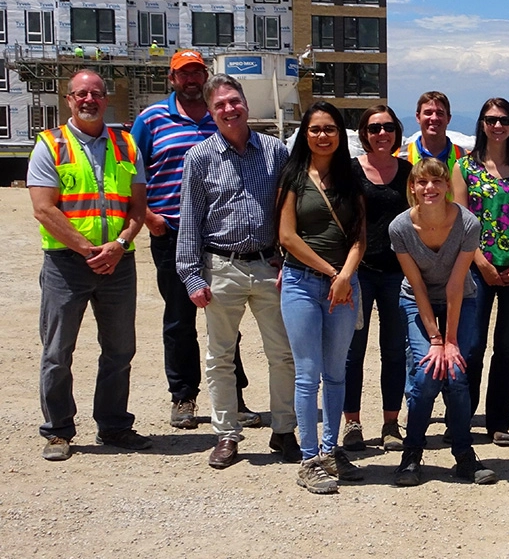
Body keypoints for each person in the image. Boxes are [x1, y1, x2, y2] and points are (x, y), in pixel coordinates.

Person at [131, 49, 258, 431]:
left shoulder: (221, 116)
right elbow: (128, 171)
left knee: (226, 318)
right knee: (180, 317)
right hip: (171, 233)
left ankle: (233, 397)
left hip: (219, 237)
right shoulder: (152, 119)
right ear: (172, 79)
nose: (191, 79)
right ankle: (184, 396)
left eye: (196, 73)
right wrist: (148, 217)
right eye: (183, 74)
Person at [28, 69, 151, 461]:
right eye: (81, 94)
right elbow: (44, 209)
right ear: (69, 99)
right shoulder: (50, 144)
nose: (89, 100)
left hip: (118, 261)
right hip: (66, 264)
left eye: (96, 94)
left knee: (119, 350)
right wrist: (88, 249)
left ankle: (113, 424)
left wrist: (118, 244)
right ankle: (58, 430)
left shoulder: (126, 144)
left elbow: (137, 207)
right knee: (58, 350)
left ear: (106, 99)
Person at [176, 74, 297, 469]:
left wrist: (286, 258)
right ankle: (227, 434)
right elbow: (191, 219)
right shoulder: (199, 158)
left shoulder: (275, 152)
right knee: (219, 357)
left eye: (234, 101)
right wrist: (191, 275)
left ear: (246, 102)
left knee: (282, 355)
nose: (229, 109)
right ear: (211, 113)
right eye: (220, 105)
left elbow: (287, 209)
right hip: (221, 268)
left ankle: (284, 429)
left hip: (267, 266)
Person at [388, 158, 497, 487]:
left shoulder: (468, 224)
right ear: (413, 188)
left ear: (448, 186)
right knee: (425, 375)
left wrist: (450, 343)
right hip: (416, 299)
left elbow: (455, 284)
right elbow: (417, 286)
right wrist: (436, 340)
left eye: (436, 181)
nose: (429, 188)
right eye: (422, 182)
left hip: (460, 297)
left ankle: (464, 455)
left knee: (456, 372)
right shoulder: (400, 228)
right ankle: (412, 454)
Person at [277, 102, 366, 494]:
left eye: (330, 129)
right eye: (315, 129)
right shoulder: (293, 176)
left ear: (339, 134)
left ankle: (331, 451)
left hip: (344, 287)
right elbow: (287, 237)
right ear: (305, 134)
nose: (323, 136)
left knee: (336, 373)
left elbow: (360, 236)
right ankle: (309, 458)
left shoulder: (351, 177)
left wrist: (346, 275)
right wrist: (333, 273)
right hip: (302, 283)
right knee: (307, 374)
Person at [452, 97, 509, 447]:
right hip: (477, 267)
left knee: (506, 346)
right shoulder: (464, 168)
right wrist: (480, 262)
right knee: (472, 346)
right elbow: (459, 221)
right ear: (482, 124)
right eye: (491, 119)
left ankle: (499, 421)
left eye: (504, 119)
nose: (497, 125)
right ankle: (462, 417)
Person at [342, 105, 411, 452]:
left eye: (387, 127)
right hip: (359, 273)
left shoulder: (409, 173)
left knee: (394, 351)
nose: (381, 134)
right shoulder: (351, 172)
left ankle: (390, 423)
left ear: (396, 131)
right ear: (364, 134)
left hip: (397, 273)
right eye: (374, 128)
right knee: (353, 351)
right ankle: (352, 422)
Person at [397, 91, 465, 171]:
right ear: (418, 117)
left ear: (448, 118)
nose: (434, 118)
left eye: (440, 113)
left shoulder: (465, 159)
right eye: (428, 113)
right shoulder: (399, 157)